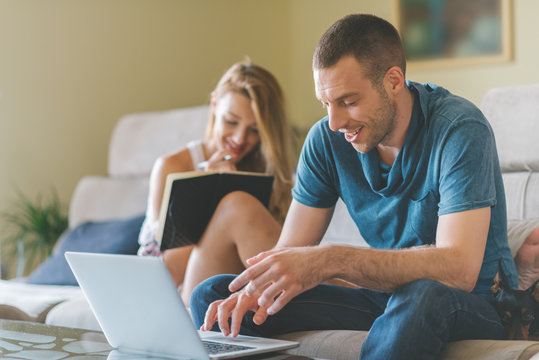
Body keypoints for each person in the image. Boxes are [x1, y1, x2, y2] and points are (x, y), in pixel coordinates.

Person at [190, 14, 522, 359]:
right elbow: (288, 254)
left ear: (393, 81)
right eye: (326, 103)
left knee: (424, 294)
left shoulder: (459, 129)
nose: (334, 122)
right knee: (213, 296)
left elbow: (459, 270)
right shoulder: (326, 139)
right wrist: (259, 287)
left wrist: (332, 259)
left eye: (348, 101)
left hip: (470, 303)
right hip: (386, 299)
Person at [137, 60, 294, 305]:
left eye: (254, 130)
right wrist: (207, 193)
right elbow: (167, 273)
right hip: (179, 290)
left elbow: (283, 246)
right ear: (214, 105)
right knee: (237, 208)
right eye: (231, 122)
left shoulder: (268, 169)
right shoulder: (172, 167)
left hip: (245, 287)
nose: (240, 139)